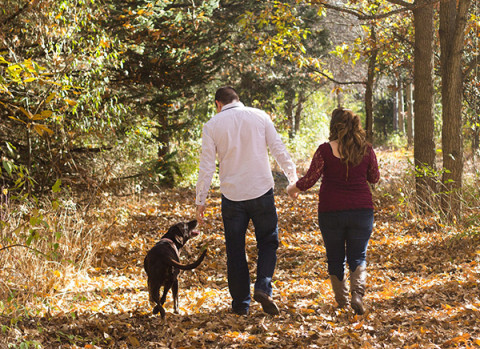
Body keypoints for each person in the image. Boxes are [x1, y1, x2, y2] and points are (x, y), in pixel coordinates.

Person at [196, 86, 298, 316]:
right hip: (261, 191)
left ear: (217, 104)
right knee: (268, 242)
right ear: (237, 99)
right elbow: (278, 149)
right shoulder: (259, 116)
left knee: (235, 250)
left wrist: (200, 200)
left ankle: (241, 305)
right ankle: (263, 286)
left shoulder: (212, 126)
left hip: (232, 197)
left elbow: (207, 167)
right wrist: (294, 180)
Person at [287, 107, 380, 315]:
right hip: (361, 210)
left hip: (331, 211)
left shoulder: (325, 150)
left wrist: (292, 188)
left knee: (335, 257)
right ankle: (358, 294)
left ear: (333, 125)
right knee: (358, 256)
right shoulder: (366, 149)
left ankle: (342, 301)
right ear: (355, 125)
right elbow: (374, 178)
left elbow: (310, 179)